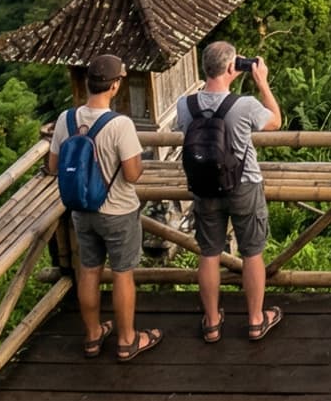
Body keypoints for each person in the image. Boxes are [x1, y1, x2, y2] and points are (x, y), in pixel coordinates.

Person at [46, 53, 160, 361]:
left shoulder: (65, 120)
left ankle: (93, 335)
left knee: (90, 270)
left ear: (87, 83)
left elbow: (53, 165)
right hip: (118, 211)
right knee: (122, 273)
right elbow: (133, 174)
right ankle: (126, 340)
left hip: (82, 210)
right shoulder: (120, 124)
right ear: (114, 86)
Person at [176, 40, 282, 343]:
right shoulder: (244, 104)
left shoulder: (186, 104)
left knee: (209, 253)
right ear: (231, 68)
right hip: (244, 184)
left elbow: (183, 130)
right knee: (252, 253)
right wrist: (262, 83)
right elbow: (275, 120)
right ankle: (255, 320)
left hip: (204, 185)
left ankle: (211, 322)